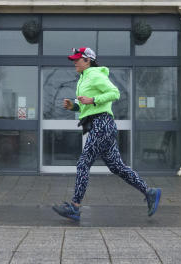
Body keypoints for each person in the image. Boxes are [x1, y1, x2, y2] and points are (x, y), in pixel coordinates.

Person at [52, 46, 162, 222]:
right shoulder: (83, 78)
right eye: (74, 59)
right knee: (117, 167)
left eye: (77, 59)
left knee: (83, 164)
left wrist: (93, 99)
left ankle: (74, 207)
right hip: (101, 125)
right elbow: (87, 105)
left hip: (102, 124)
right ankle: (149, 192)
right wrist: (74, 106)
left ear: (88, 60)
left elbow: (114, 93)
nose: (74, 62)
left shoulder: (95, 75)